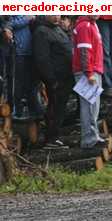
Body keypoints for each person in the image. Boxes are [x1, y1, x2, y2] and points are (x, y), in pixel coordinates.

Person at [33, 15, 73, 149]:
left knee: (61, 109)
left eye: (58, 13)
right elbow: (42, 59)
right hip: (55, 79)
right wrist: (51, 79)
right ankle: (51, 138)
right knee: (54, 109)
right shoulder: (41, 31)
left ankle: (55, 136)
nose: (56, 17)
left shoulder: (58, 29)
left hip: (67, 76)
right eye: (53, 13)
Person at [72, 16, 106, 149]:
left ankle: (93, 136)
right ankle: (89, 139)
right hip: (88, 72)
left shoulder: (93, 25)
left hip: (94, 70)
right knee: (89, 107)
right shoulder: (84, 26)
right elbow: (84, 51)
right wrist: (89, 73)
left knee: (93, 106)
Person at [4, 16, 35, 120]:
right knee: (16, 82)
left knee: (30, 83)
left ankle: (32, 110)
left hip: (30, 51)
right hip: (18, 51)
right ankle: (16, 110)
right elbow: (9, 23)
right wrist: (27, 19)